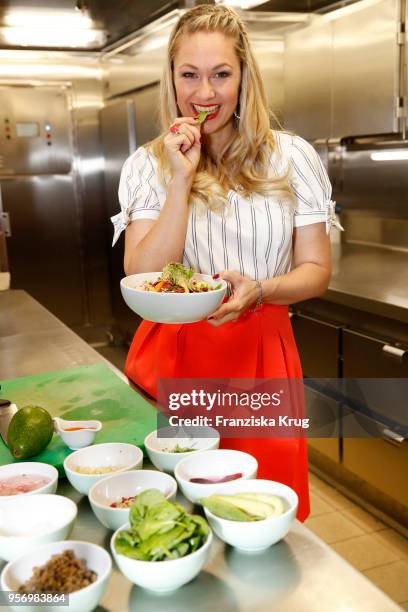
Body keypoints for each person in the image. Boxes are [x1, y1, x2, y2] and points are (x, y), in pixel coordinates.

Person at [111, 4, 341, 521]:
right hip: (177, 352)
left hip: (261, 353)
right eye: (189, 75)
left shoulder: (291, 157)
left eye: (221, 74)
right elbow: (140, 272)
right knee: (179, 509)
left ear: (244, 77)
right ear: (171, 79)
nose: (204, 93)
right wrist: (180, 178)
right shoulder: (149, 164)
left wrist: (259, 290)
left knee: (261, 507)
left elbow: (316, 271)